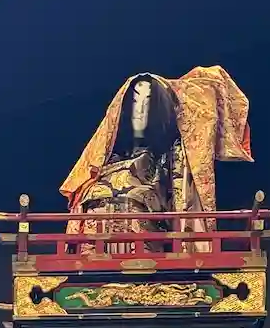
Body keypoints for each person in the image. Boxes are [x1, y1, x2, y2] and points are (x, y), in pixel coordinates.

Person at [61, 67, 252, 218]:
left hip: (142, 238)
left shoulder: (170, 157)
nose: (139, 111)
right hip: (95, 241)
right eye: (135, 102)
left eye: (147, 102)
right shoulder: (105, 160)